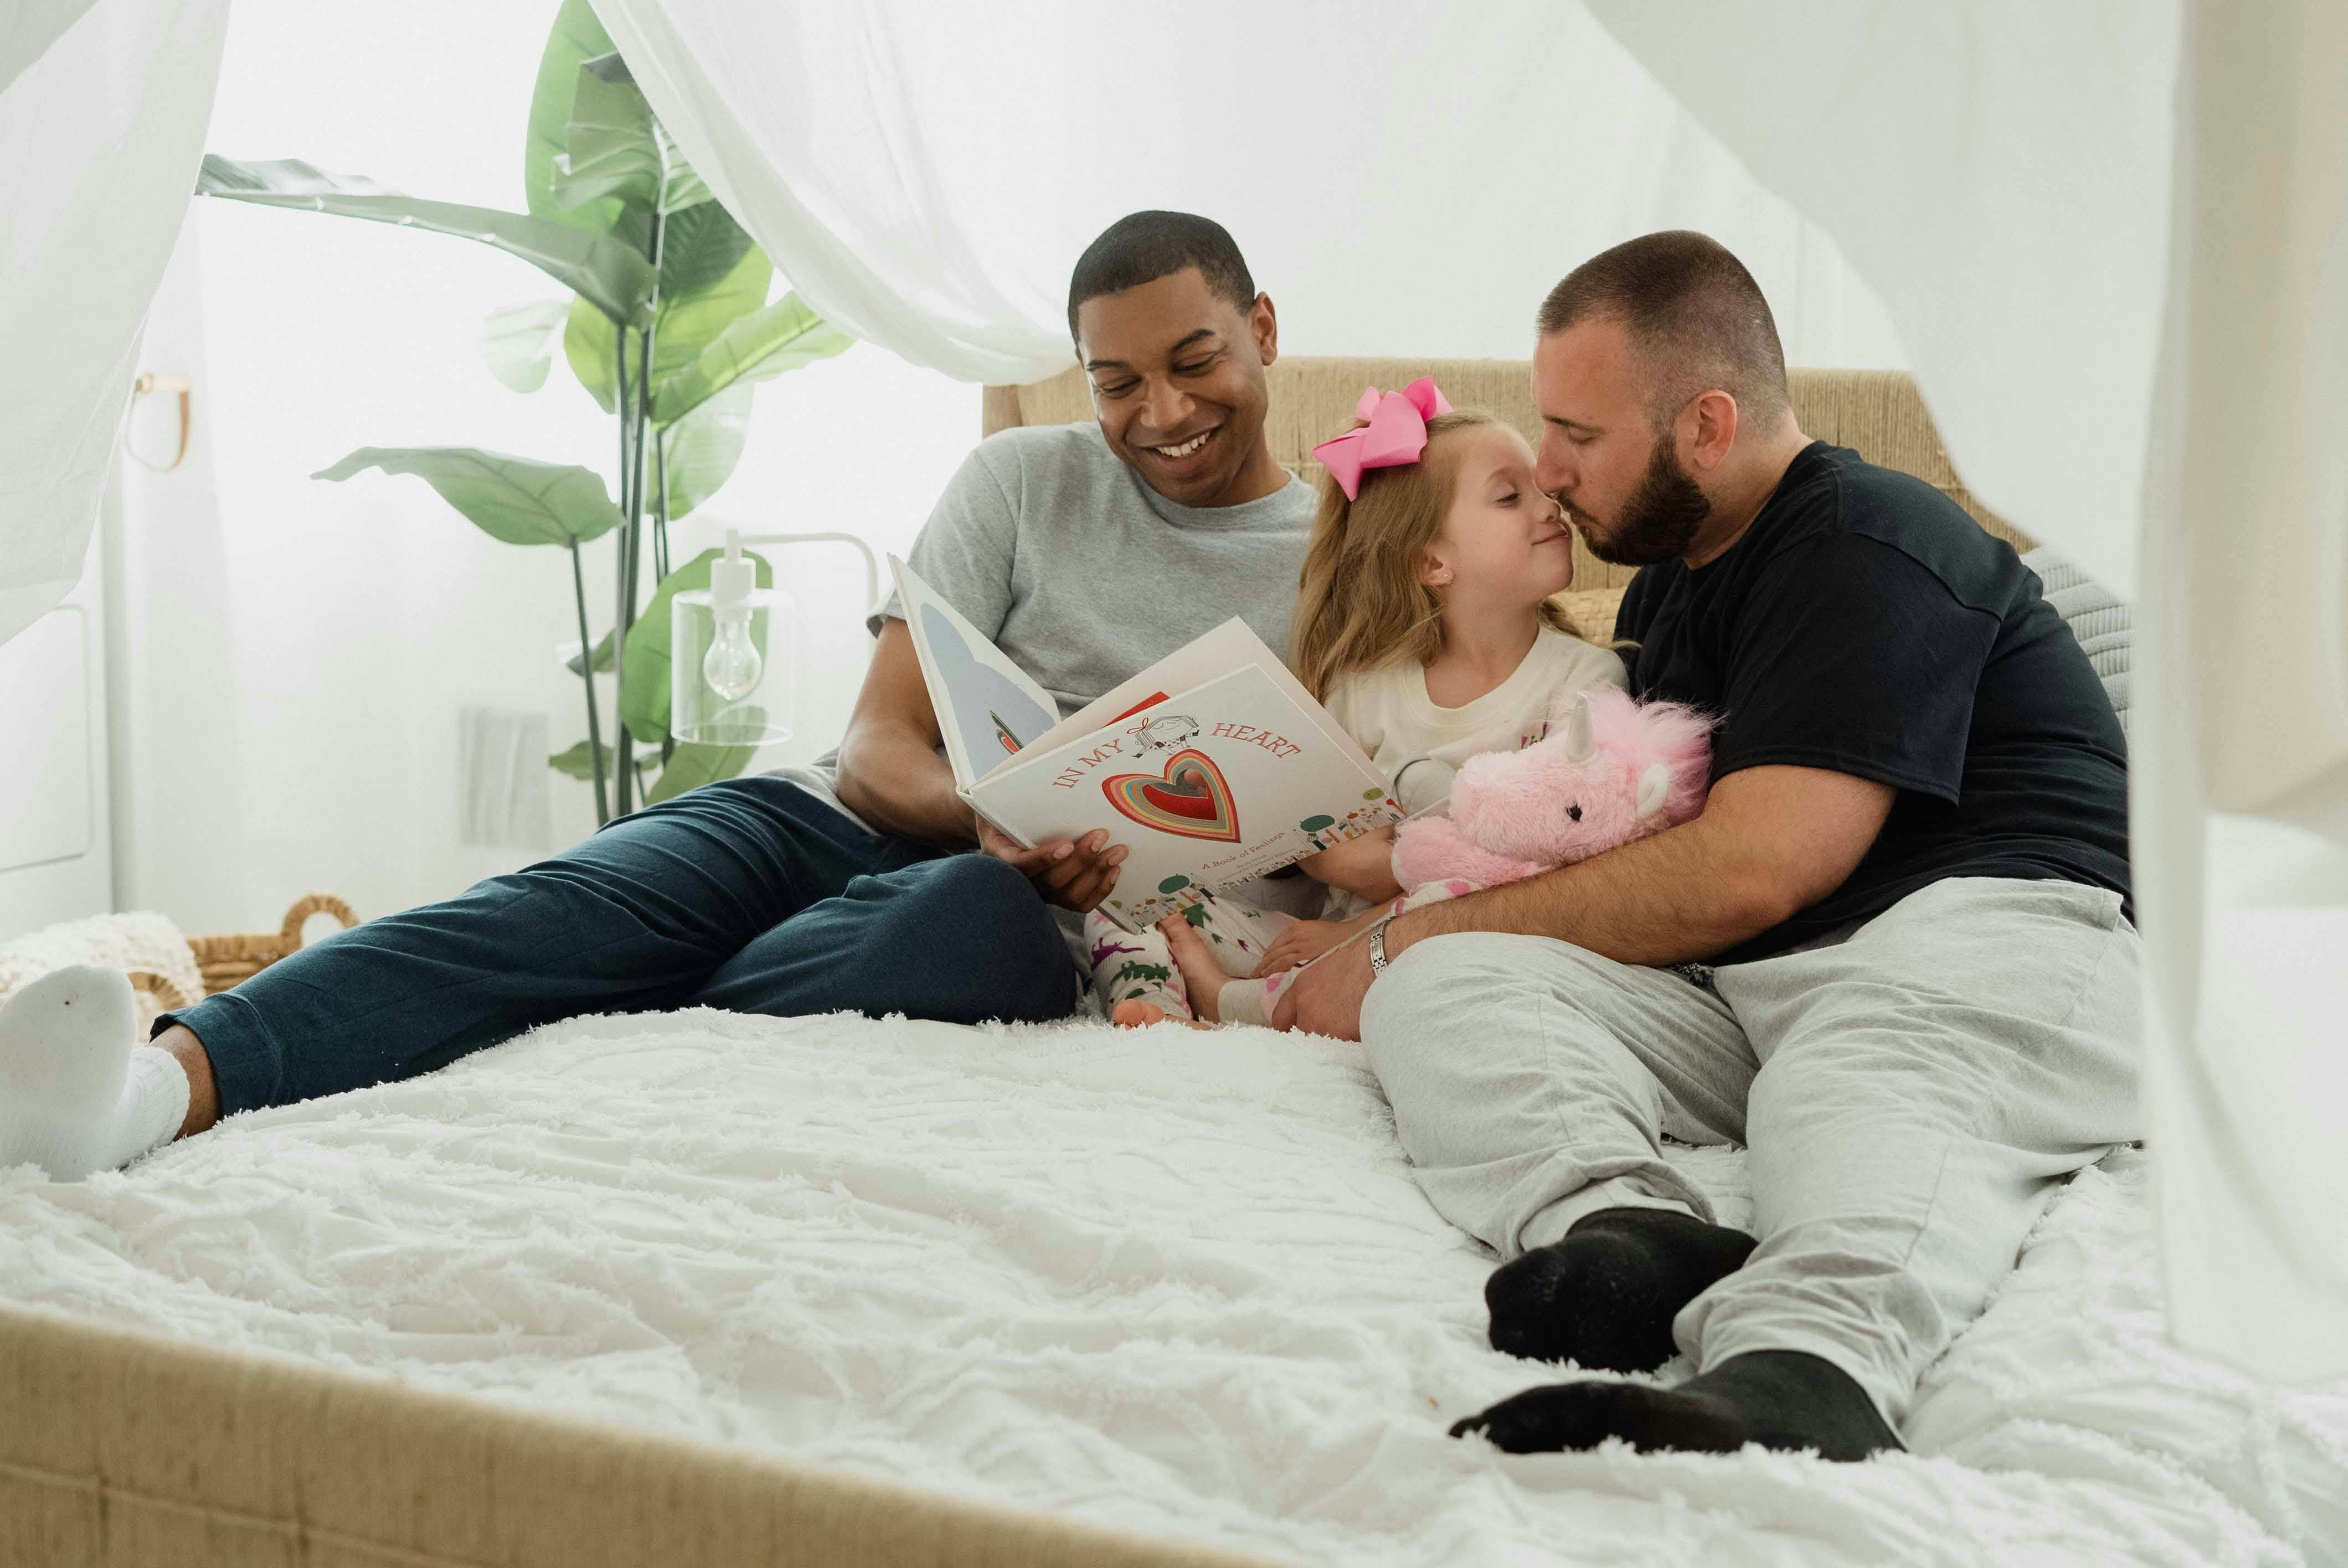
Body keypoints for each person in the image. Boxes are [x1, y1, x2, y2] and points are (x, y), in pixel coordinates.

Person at [0, 210, 1324, 1183]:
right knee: (537, 913)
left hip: (1035, 914)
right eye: (1115, 381)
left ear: (1261, 331)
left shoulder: (1356, 555)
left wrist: (1040, 866)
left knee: (977, 921)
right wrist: (987, 808)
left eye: (1193, 361)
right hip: (847, 822)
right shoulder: (1022, 480)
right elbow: (874, 740)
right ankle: (138, 1097)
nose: (1159, 410)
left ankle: (644, 993)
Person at [1274, 231, 2137, 1463]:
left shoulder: (1865, 540)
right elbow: (1639, 872)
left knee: (1863, 1080)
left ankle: (1802, 1370)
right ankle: (1627, 1231)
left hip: (1983, 938)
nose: (1549, 467)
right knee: (1448, 983)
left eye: (1577, 436)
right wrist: (1413, 938)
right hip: (1748, 980)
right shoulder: (1663, 596)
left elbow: (1754, 865)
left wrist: (1413, 918)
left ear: (1706, 426)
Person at [1096, 386, 1625, 1028]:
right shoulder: (1366, 688)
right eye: (1510, 497)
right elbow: (1325, 851)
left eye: (1540, 488)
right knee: (1128, 899)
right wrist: (1355, 899)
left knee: (1496, 882)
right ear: (1432, 561)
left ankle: (1230, 1006)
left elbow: (1551, 867)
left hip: (1457, 947)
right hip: (1316, 947)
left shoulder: (1587, 682)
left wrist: (1368, 924)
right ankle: (1156, 1008)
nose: (1551, 507)